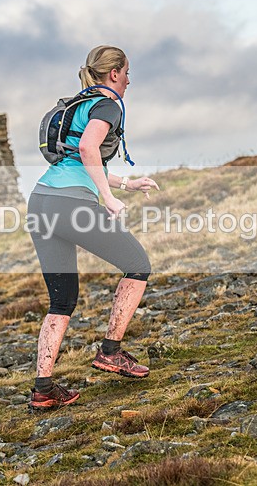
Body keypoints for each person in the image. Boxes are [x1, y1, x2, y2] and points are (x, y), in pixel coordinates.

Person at [27, 45, 160, 409]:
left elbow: (76, 157)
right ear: (114, 73)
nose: (130, 80)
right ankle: (110, 351)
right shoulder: (109, 104)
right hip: (71, 204)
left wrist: (126, 185)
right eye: (128, 72)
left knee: (62, 300)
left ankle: (43, 389)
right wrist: (108, 197)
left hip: (40, 202)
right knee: (139, 265)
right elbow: (88, 150)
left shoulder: (81, 103)